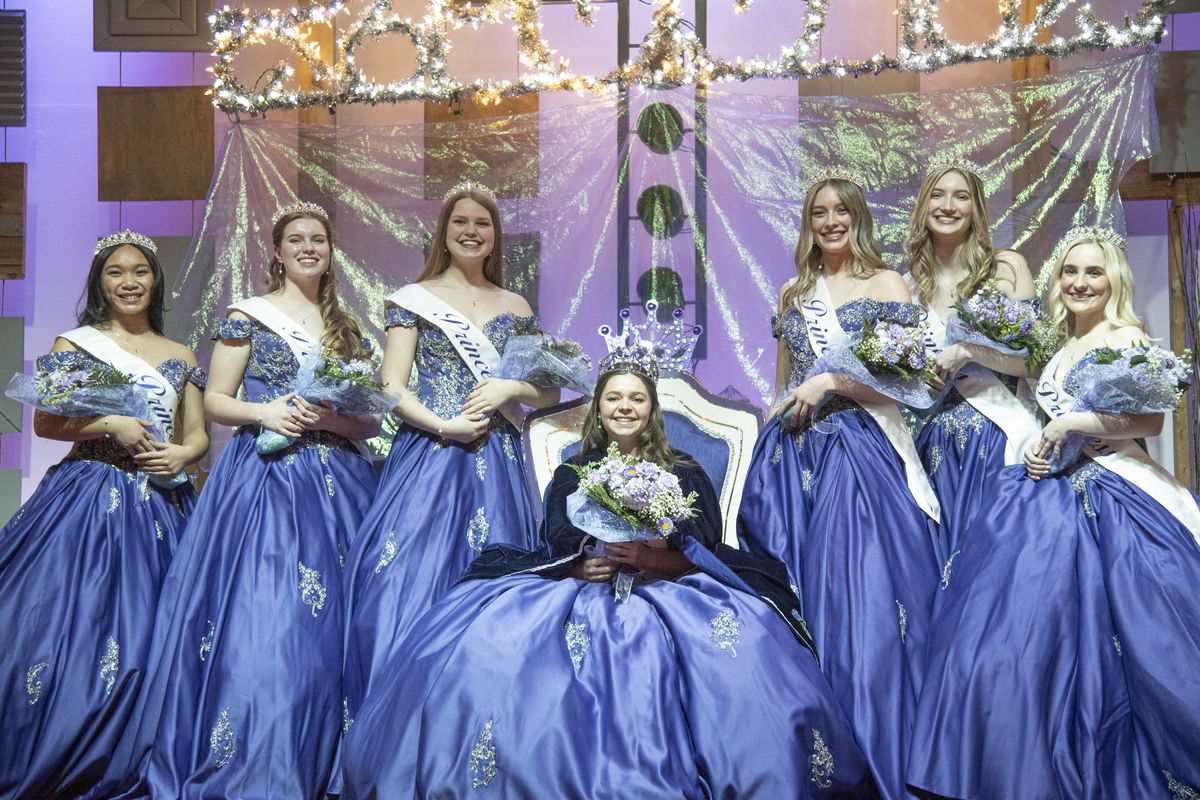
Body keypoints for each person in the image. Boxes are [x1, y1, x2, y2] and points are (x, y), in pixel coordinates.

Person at [340, 349, 879, 799]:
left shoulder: (685, 470)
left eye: (637, 397)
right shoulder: (575, 467)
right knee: (491, 641)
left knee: (741, 644)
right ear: (599, 408)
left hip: (668, 583)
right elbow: (556, 530)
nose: (625, 406)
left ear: (652, 410)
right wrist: (580, 560)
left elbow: (704, 540)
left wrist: (654, 558)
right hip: (586, 580)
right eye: (614, 397)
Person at [908, 227, 1200, 799]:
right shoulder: (1058, 345)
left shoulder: (1127, 337)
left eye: (1093, 273)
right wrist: (1047, 449)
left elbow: (1149, 424)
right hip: (1052, 492)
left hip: (1117, 491)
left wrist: (1069, 425)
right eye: (1070, 272)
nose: (1080, 283)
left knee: (1135, 639)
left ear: (1113, 280)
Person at [117, 202, 381, 799]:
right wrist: (270, 410)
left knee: (339, 625)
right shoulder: (248, 315)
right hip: (266, 482)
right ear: (278, 251)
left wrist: (334, 421)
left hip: (340, 482)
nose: (309, 247)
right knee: (273, 620)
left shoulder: (347, 327)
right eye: (296, 239)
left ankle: (330, 757)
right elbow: (214, 401)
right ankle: (262, 754)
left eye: (318, 239)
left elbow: (368, 423)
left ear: (330, 251)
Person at [736, 170, 942, 800]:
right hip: (796, 459)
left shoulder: (887, 283)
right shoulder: (794, 291)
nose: (830, 221)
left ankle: (887, 748)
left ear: (857, 217)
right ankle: (814, 749)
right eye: (819, 212)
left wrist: (833, 384)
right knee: (801, 599)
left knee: (870, 603)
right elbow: (782, 385)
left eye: (841, 211)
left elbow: (913, 385)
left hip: (860, 453)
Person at [340, 181, 560, 729]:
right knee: (400, 580)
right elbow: (391, 388)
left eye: (481, 224)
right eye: (459, 221)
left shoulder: (517, 305)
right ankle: (398, 723)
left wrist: (510, 390)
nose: (470, 230)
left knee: (496, 582)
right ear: (444, 231)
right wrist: (446, 425)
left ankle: (482, 722)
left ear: (494, 237)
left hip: (500, 459)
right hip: (431, 454)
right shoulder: (412, 299)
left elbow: (549, 392)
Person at [0, 231, 207, 800]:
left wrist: (184, 455)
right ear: (100, 283)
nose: (129, 282)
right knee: (68, 623)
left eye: (139, 271)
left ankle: (138, 749)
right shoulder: (77, 344)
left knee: (157, 632)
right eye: (116, 272)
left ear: (154, 281)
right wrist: (111, 423)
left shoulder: (181, 354)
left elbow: (197, 437)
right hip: (87, 495)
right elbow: (46, 423)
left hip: (162, 499)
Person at [902, 158, 1040, 555]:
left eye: (961, 197)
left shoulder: (1007, 268)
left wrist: (968, 352)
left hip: (1003, 435)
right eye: (938, 196)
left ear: (976, 209)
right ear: (924, 207)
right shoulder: (908, 285)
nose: (948, 206)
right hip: (939, 446)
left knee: (1001, 553)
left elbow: (1036, 362)